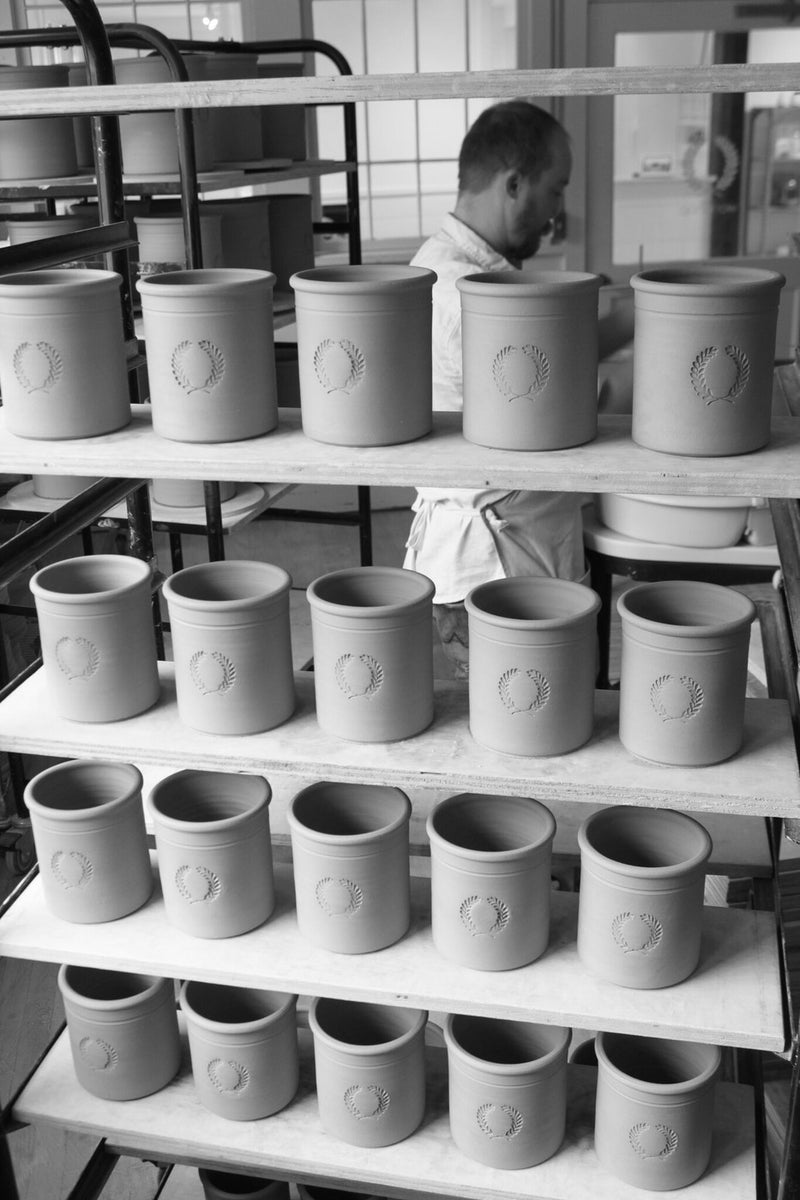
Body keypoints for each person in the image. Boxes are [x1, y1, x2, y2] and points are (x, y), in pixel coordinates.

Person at [403, 99, 588, 679]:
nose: (556, 213)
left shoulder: (473, 275)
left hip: (519, 553)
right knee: (521, 716)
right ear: (514, 184)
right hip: (496, 568)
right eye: (555, 190)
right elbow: (560, 401)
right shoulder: (460, 290)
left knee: (536, 714)